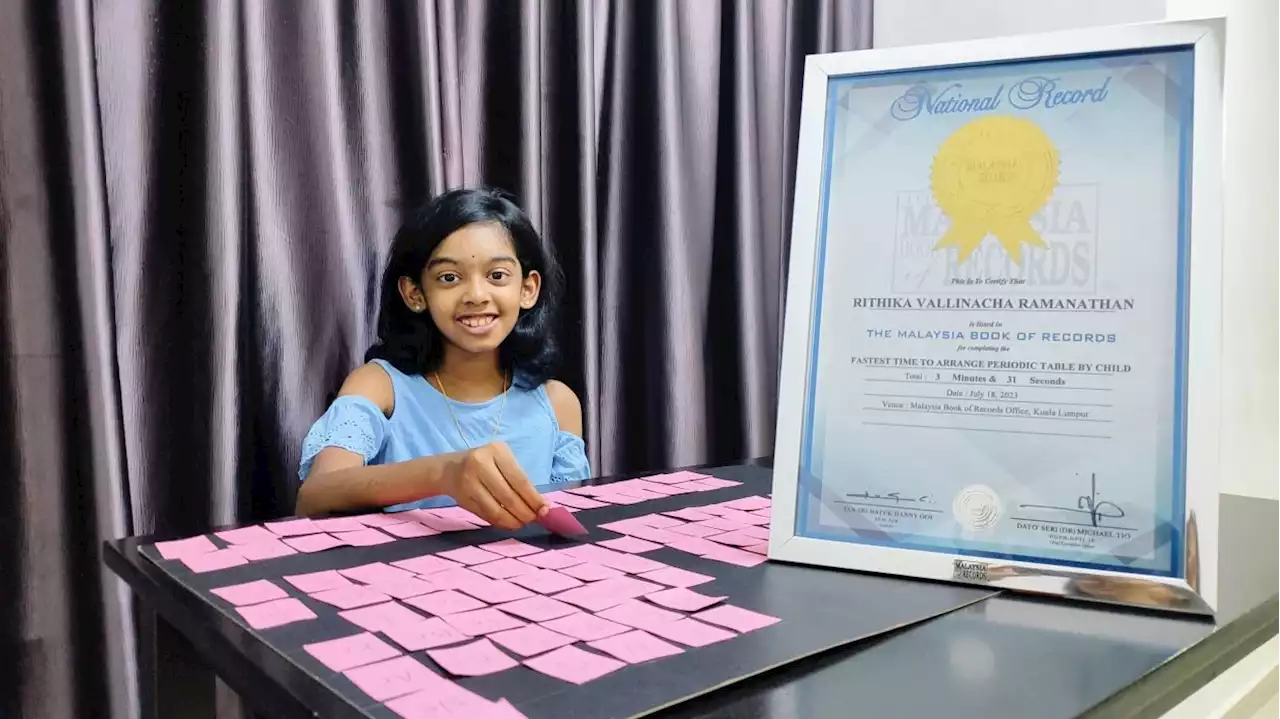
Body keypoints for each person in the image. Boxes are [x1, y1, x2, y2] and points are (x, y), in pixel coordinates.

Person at [294, 187, 591, 528]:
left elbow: (570, 523)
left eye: (497, 276)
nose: (476, 296)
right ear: (415, 294)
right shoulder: (381, 386)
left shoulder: (558, 403)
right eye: (449, 278)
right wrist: (444, 473)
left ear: (527, 289)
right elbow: (314, 496)